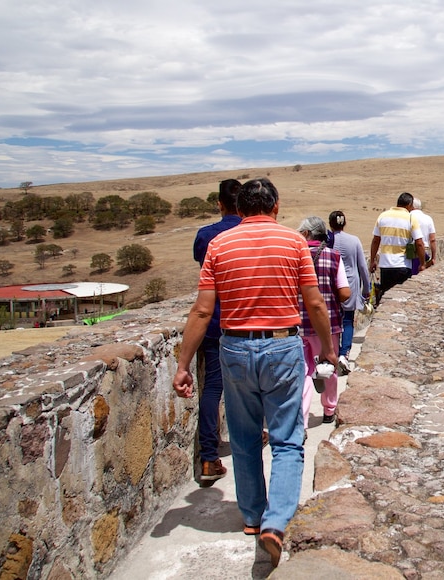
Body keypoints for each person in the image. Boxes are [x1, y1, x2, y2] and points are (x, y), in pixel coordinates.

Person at [172, 178, 337, 569]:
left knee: (245, 437)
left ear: (238, 209)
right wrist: (328, 349)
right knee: (287, 438)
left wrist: (182, 364)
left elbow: (201, 311)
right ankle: (276, 523)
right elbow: (313, 303)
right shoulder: (294, 243)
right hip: (282, 346)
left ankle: (251, 516)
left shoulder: (218, 245)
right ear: (276, 207)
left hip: (234, 348)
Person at [190, 178, 241, 485]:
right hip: (245, 322)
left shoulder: (206, 236)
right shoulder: (250, 234)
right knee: (251, 386)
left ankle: (209, 458)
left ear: (220, 204)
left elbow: (205, 270)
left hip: (213, 322)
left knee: (212, 388)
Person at [298, 216, 350, 425]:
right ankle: (329, 409)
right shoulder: (334, 257)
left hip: (299, 323)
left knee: (301, 372)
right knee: (329, 366)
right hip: (327, 324)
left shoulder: (294, 257)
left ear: (307, 234)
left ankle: (300, 418)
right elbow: (345, 292)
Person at [328, 210, 370, 374]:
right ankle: (344, 354)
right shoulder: (354, 240)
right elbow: (362, 267)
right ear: (344, 223)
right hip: (350, 284)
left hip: (331, 284)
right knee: (347, 320)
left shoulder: (328, 241)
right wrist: (367, 289)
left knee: (332, 321)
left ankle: (332, 352)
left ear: (330, 224)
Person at [369, 192, 425, 306]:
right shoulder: (410, 218)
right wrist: (422, 263)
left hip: (385, 266)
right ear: (409, 205)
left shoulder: (383, 216)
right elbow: (419, 243)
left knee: (385, 299)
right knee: (400, 301)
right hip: (402, 266)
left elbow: (375, 240)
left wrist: (372, 260)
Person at [409, 197, 437, 274]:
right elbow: (432, 240)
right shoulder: (428, 218)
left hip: (409, 252)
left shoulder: (407, 217)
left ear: (411, 206)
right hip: (424, 251)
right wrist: (433, 258)